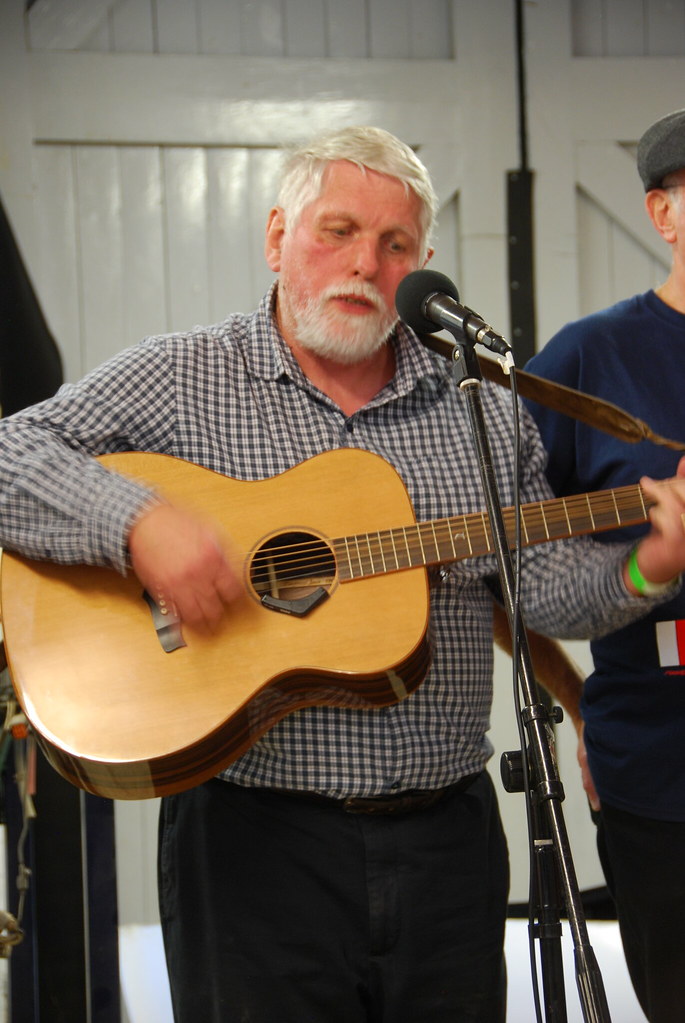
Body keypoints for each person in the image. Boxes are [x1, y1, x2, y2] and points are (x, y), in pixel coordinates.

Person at [2, 125, 685, 1023]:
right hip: (253, 844)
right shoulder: (185, 374)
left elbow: (545, 589)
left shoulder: (473, 405)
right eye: (338, 231)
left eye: (395, 244)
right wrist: (139, 524)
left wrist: (649, 567)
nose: (366, 262)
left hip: (446, 840)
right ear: (277, 236)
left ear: (423, 264)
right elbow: (12, 451)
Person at [524, 108, 685, 1023]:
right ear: (662, 216)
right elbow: (497, 557)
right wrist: (575, 698)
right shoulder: (587, 362)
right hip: (661, 780)